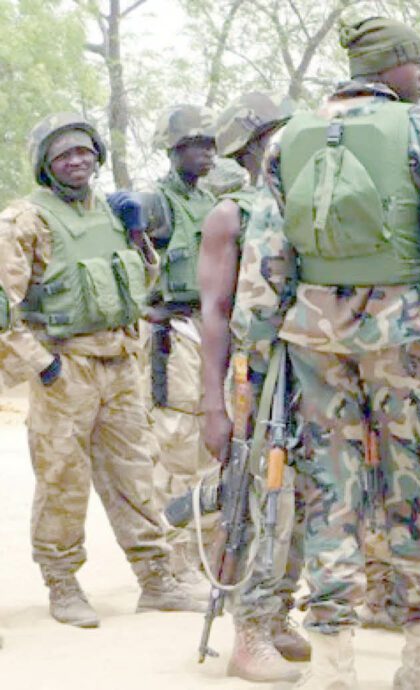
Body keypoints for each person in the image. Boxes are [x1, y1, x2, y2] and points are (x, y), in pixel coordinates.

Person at [236, 16, 420, 689]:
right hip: (407, 338)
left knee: (330, 494)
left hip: (314, 339)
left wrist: (260, 346)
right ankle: (417, 661)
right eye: (418, 64)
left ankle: (335, 667)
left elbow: (266, 256)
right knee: (418, 489)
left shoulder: (290, 136)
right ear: (389, 69)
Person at [0, 113, 201, 629]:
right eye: (64, 154)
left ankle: (156, 580)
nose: (77, 161)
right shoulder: (26, 220)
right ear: (46, 164)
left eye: (85, 152)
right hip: (66, 367)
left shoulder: (114, 213)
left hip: (119, 364)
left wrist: (137, 234)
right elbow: (4, 307)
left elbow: (143, 280)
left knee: (134, 472)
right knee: (63, 480)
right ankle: (63, 584)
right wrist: (42, 366)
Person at [198, 91, 309, 682]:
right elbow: (214, 311)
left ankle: (278, 611)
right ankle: (248, 631)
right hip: (259, 373)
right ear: (246, 155)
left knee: (313, 502)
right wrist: (212, 405)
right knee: (261, 500)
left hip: (317, 365)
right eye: (267, 139)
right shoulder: (230, 213)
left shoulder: (319, 202)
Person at [144, 104, 220, 594]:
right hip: (172, 331)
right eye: (195, 145)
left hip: (209, 327)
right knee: (176, 445)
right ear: (174, 151)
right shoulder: (155, 204)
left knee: (213, 447)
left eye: (210, 144)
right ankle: (175, 562)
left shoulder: (212, 200)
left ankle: (210, 556)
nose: (206, 154)